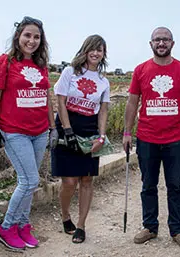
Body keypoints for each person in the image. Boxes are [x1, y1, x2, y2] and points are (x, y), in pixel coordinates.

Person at [123, 27, 180, 249]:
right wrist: (127, 132)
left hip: (175, 139)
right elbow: (132, 102)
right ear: (151, 44)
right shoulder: (141, 70)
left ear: (172, 43)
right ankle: (150, 226)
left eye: (165, 39)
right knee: (148, 185)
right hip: (147, 138)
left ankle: (177, 229)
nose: (161, 43)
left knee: (175, 185)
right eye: (157, 40)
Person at [0, 16, 56, 251]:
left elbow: (47, 98)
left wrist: (53, 127)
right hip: (14, 131)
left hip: (39, 132)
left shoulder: (41, 65)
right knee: (29, 181)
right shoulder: (5, 62)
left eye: (37, 37)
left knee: (28, 181)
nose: (32, 40)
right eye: (27, 35)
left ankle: (23, 225)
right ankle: (6, 227)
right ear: (18, 36)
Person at [50, 34, 110, 244]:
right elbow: (61, 101)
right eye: (92, 48)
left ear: (103, 54)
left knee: (86, 180)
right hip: (67, 129)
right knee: (68, 181)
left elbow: (103, 111)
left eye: (100, 50)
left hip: (89, 132)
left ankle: (81, 225)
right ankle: (65, 216)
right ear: (85, 50)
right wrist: (67, 131)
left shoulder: (103, 81)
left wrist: (101, 137)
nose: (95, 53)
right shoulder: (69, 72)